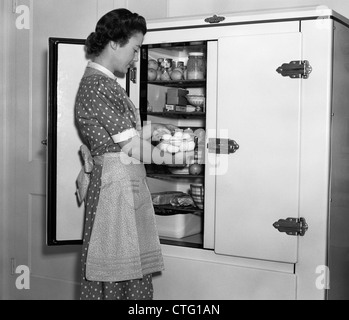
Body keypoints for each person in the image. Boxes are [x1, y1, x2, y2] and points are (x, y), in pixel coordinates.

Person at [75, 8, 192, 300]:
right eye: (135, 48)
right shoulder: (97, 85)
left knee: (129, 269)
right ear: (115, 42)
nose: (136, 56)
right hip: (114, 189)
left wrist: (155, 131)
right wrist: (175, 159)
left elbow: (122, 136)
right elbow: (130, 147)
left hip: (123, 185)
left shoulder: (104, 83)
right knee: (115, 273)